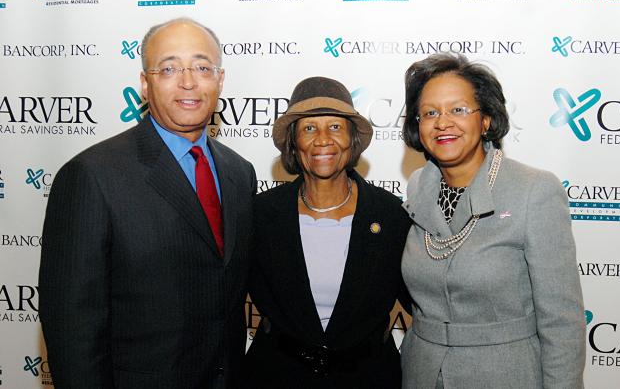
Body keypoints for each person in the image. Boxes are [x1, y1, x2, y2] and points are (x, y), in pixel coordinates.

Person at [39, 18, 256, 388]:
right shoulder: (92, 176)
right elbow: (71, 327)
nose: (188, 81)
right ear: (145, 83)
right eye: (169, 68)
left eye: (202, 68)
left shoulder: (240, 173)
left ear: (220, 81)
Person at [400, 53, 585, 388]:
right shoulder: (418, 187)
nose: (443, 122)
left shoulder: (534, 190)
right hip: (422, 374)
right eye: (430, 113)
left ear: (485, 119)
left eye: (458, 109)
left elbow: (562, 322)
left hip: (504, 374)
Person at [242, 77, 412, 388]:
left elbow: (424, 303)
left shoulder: (391, 215)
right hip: (275, 377)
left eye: (335, 127)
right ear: (294, 143)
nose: (322, 140)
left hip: (369, 379)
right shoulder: (259, 215)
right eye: (309, 128)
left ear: (352, 139)